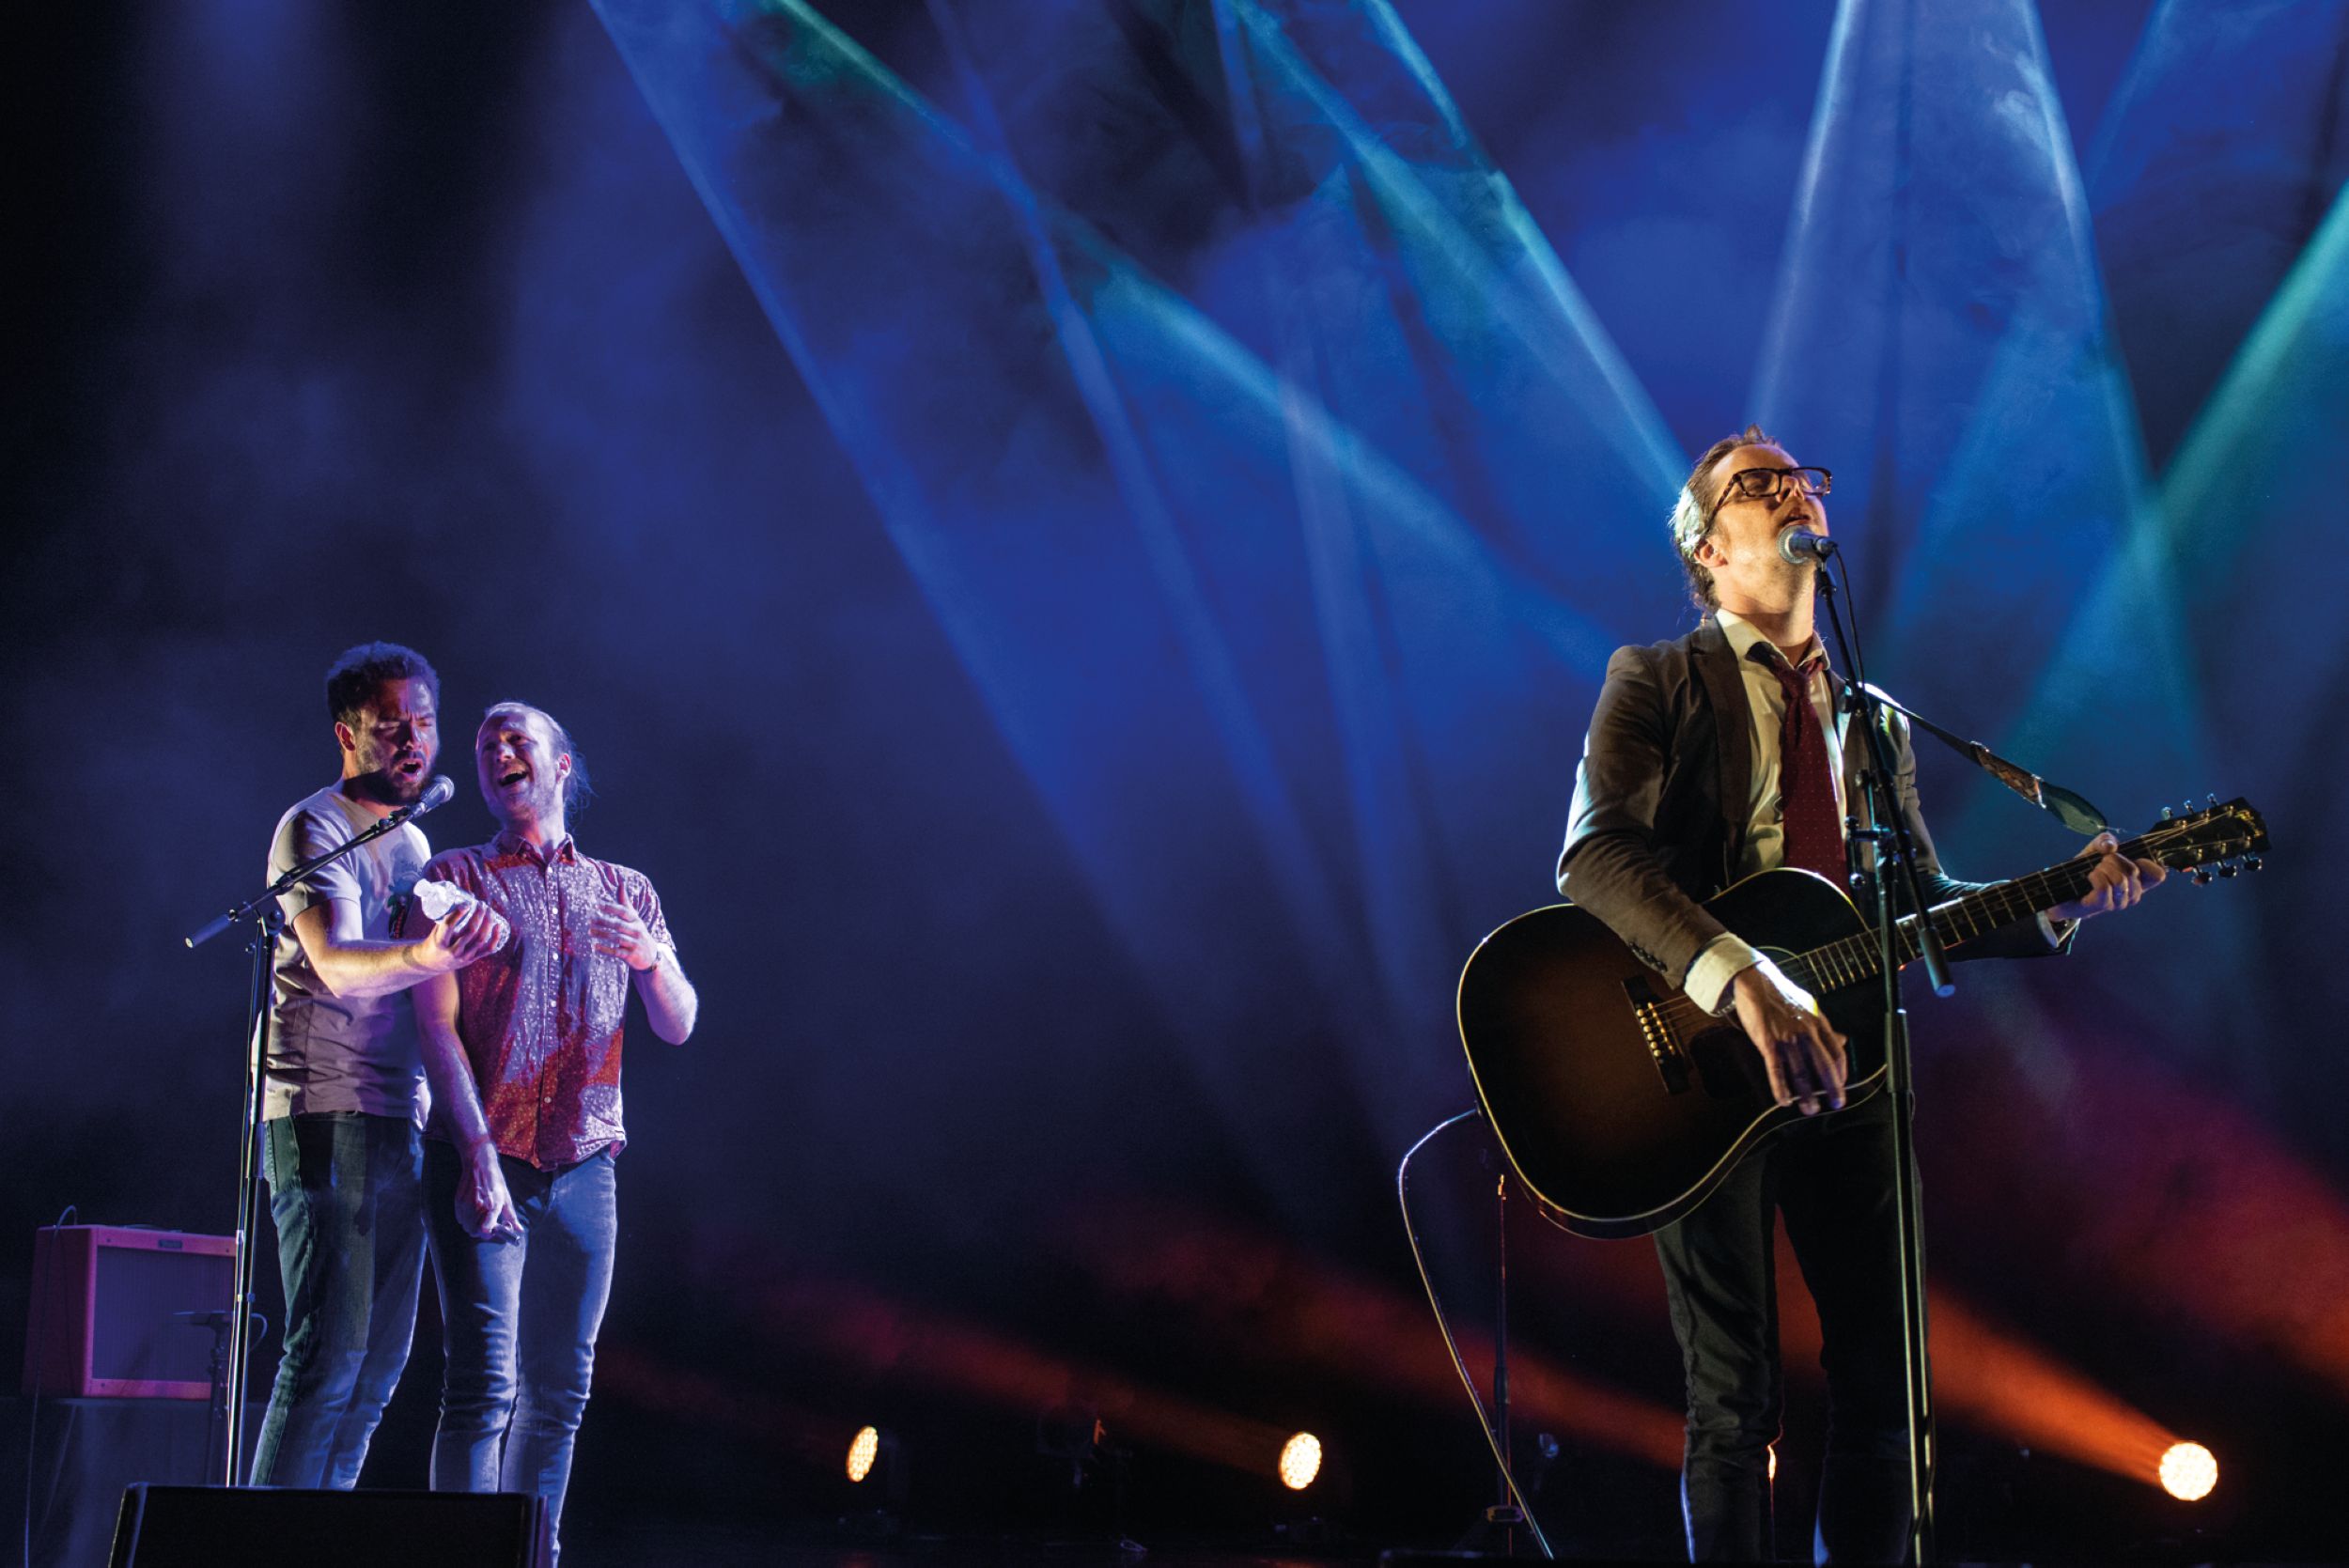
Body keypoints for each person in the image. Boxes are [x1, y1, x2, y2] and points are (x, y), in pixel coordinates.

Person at [1557, 427, 2165, 1563]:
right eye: (1757, 482)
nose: (1794, 490)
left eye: (1803, 478)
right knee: (1734, 1399)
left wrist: (2058, 898)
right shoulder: (1654, 678)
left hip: (1851, 1064)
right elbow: (1593, 858)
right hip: (1700, 1063)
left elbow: (1913, 902)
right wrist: (1744, 977)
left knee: (1887, 1390)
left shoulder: (1871, 720)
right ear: (1705, 548)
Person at [405, 701, 698, 1560]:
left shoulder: (626, 889)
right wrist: (474, 1155)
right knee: (481, 1386)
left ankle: (530, 1554)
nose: (499, 752)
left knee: (560, 1391)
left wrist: (650, 957)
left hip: (585, 1165)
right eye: (486, 745)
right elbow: (434, 1029)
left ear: (561, 764)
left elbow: (679, 1021)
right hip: (481, 1154)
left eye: (516, 739)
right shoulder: (454, 878)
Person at [255, 641, 509, 1488]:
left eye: (425, 723)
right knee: (329, 1356)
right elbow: (337, 964)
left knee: (376, 1372)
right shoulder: (315, 826)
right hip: (322, 1105)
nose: (414, 741)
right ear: (347, 734)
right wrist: (430, 953)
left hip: (399, 1113)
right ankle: (256, 1542)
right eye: (392, 725)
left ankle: (318, 1535)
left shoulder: (415, 842)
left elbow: (429, 989)